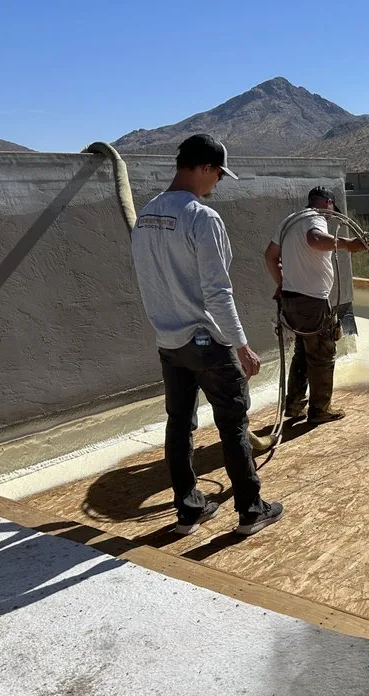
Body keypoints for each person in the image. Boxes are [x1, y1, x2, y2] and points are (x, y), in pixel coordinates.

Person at [129, 133, 283, 536]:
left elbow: (148, 281)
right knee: (232, 422)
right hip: (207, 342)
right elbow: (218, 291)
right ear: (203, 168)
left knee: (179, 423)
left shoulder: (145, 215)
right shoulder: (202, 217)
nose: (216, 183)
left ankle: (189, 509)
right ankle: (251, 510)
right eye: (217, 174)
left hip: (169, 341)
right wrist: (241, 345)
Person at [263, 186, 369, 424]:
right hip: (311, 301)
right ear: (328, 203)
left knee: (302, 352)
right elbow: (315, 240)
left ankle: (294, 405)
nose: (332, 216)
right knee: (322, 353)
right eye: (332, 210)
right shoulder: (315, 218)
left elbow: (269, 255)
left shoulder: (290, 221)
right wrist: (348, 244)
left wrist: (282, 283)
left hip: (291, 300)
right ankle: (320, 410)